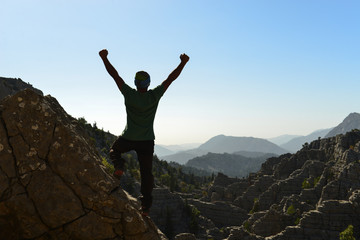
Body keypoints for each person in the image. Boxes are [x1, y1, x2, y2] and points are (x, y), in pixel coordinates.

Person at [99, 49, 189, 216]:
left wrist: (104, 58)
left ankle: (119, 166)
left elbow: (115, 75)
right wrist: (182, 63)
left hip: (128, 137)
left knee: (115, 150)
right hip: (147, 141)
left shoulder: (129, 94)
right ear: (148, 84)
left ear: (135, 83)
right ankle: (145, 207)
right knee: (146, 174)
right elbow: (170, 79)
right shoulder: (154, 96)